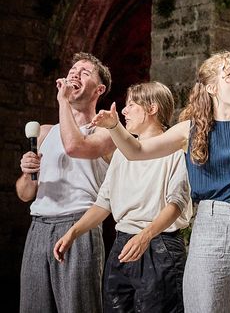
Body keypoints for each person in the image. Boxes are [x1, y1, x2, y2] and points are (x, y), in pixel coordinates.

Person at [92, 51, 230, 312]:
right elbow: (136, 152)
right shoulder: (189, 130)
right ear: (212, 87)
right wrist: (115, 127)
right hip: (213, 224)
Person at [53, 81, 192, 312]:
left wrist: (145, 235)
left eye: (131, 105)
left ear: (152, 108)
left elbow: (176, 203)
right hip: (122, 244)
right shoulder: (122, 153)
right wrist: (73, 232)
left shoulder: (177, 149)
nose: (124, 111)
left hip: (160, 247)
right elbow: (104, 202)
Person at [16, 52, 115, 312]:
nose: (74, 74)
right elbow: (26, 194)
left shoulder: (105, 134)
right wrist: (27, 172)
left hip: (78, 226)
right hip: (38, 228)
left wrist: (63, 101)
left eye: (84, 72)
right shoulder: (45, 133)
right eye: (73, 70)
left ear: (99, 89)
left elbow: (74, 146)